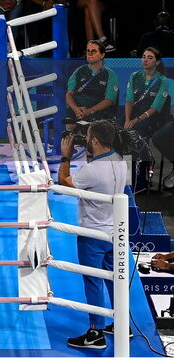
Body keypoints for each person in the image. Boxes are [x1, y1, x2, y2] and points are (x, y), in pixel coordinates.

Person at [58, 120, 128, 349]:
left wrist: (66, 156)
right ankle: (121, 324)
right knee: (113, 278)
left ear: (94, 140)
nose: (85, 140)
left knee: (92, 280)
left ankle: (95, 333)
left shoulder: (91, 171)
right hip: (114, 233)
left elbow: (64, 183)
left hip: (93, 235)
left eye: (87, 137)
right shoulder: (119, 160)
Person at [64, 40, 119, 126]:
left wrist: (90, 111)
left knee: (94, 132)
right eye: (88, 51)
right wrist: (75, 109)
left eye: (94, 51)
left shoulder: (110, 74)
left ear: (102, 55)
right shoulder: (79, 71)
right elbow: (69, 94)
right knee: (70, 127)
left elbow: (109, 100)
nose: (89, 54)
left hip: (98, 113)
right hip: (77, 111)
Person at [123, 47, 170, 143]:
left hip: (149, 117)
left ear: (157, 62)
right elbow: (129, 100)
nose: (145, 59)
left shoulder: (163, 81)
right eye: (144, 57)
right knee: (114, 129)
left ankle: (141, 157)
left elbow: (155, 108)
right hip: (132, 112)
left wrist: (135, 121)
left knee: (134, 133)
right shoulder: (134, 76)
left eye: (150, 57)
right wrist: (127, 119)